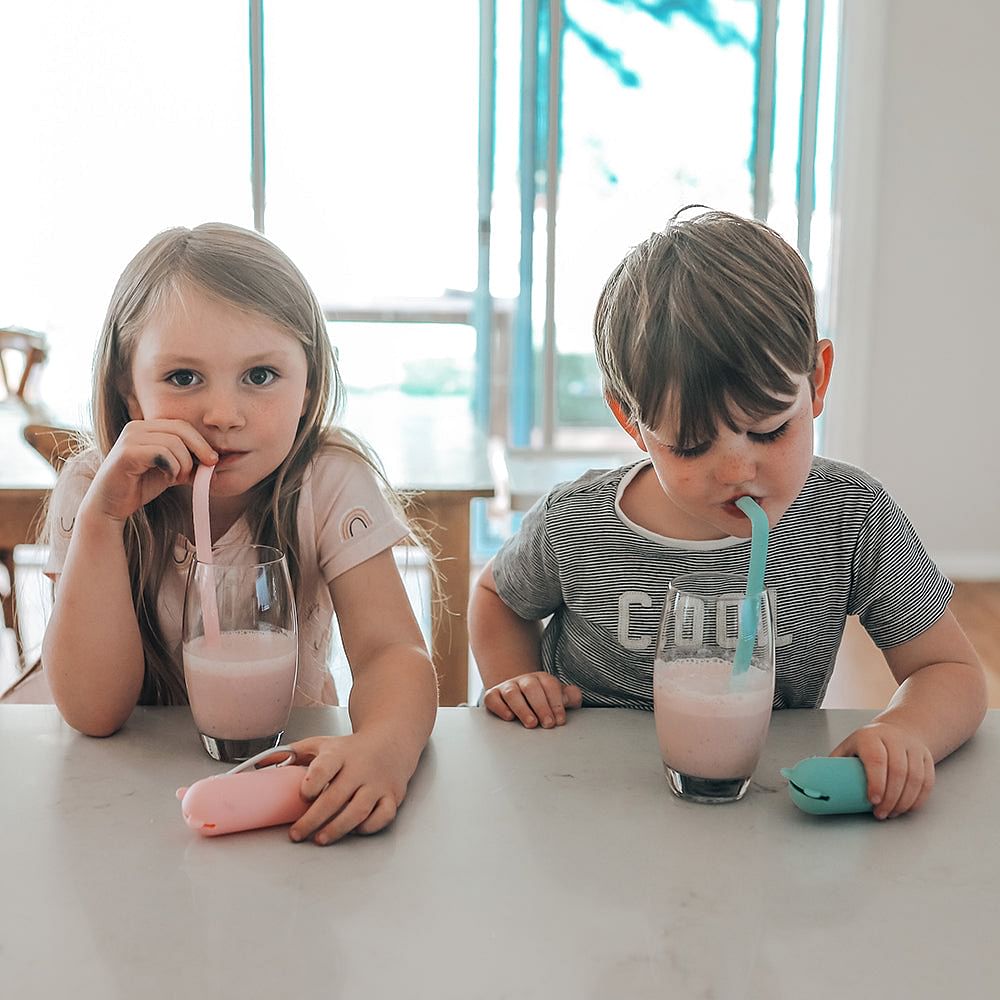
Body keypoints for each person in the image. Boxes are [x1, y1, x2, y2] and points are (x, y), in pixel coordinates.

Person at [469, 207, 987, 820]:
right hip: (585, 805)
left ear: (817, 382)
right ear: (631, 421)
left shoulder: (852, 518)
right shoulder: (578, 522)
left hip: (758, 811)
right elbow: (498, 599)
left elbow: (950, 670)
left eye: (769, 431)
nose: (738, 472)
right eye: (689, 446)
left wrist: (906, 732)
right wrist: (518, 683)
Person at [42, 222, 437, 844]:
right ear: (127, 382)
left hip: (285, 780)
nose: (223, 415)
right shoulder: (94, 486)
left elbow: (392, 653)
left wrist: (384, 747)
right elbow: (93, 714)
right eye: (182, 378)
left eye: (260, 375)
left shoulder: (328, 481)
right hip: (121, 805)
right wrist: (102, 521)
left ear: (309, 382)